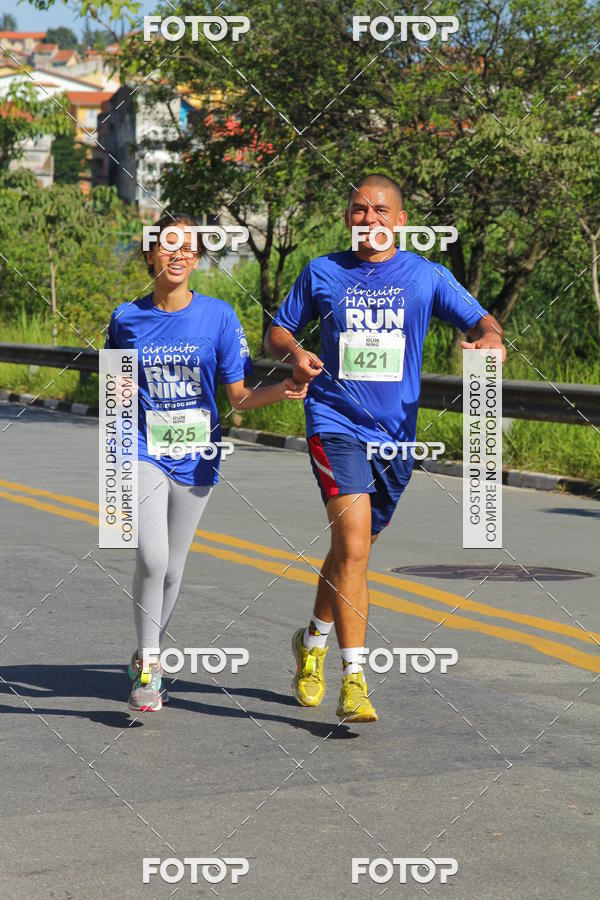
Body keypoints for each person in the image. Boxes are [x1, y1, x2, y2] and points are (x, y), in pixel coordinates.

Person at [265, 173, 505, 724]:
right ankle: (354, 679)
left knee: (351, 554)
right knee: (352, 549)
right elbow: (279, 331)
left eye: (379, 211)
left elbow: (481, 318)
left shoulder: (425, 276)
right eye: (357, 210)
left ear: (400, 221)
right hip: (334, 423)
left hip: (396, 438)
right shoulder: (323, 271)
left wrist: (491, 338)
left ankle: (311, 642)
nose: (367, 220)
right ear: (348, 219)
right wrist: (296, 353)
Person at [105, 212, 307, 712]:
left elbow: (237, 398)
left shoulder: (218, 316)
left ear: (195, 259)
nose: (177, 254)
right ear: (150, 253)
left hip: (198, 459)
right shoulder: (125, 318)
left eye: (188, 247)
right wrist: (114, 468)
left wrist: (283, 389)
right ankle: (150, 669)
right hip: (144, 451)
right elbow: (116, 399)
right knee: (152, 558)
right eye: (168, 244)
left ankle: (143, 654)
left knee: (173, 569)